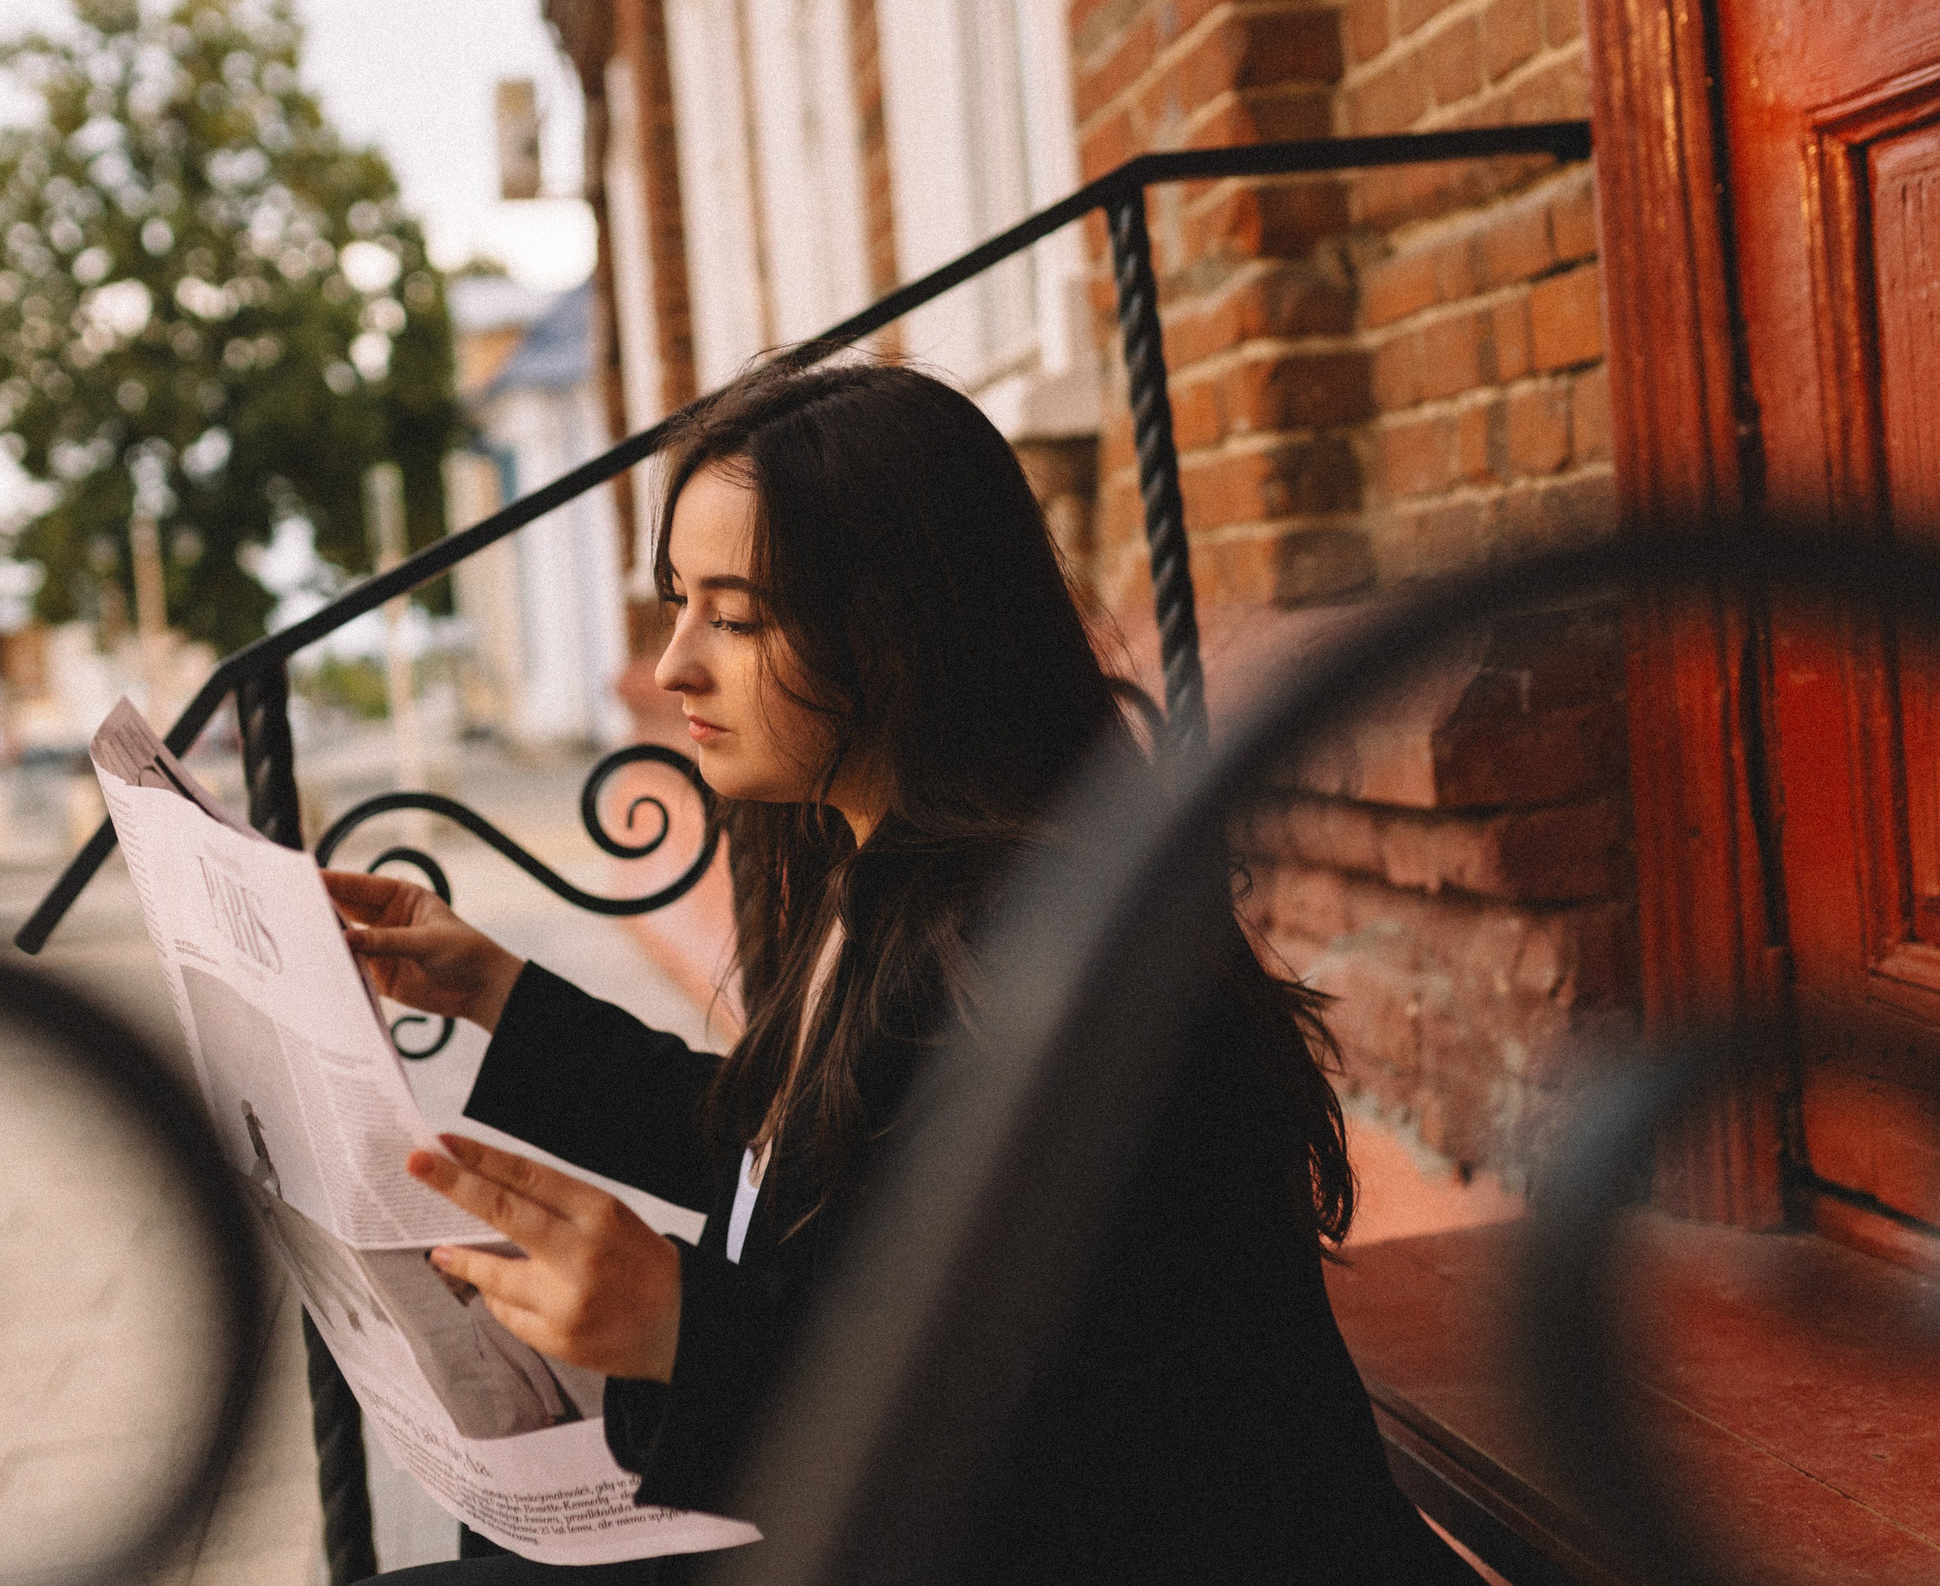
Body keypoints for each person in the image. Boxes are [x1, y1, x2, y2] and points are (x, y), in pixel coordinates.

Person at [323, 360, 1481, 1584]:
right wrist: (495, 993)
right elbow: (791, 1154)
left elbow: (1038, 1437)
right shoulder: (884, 866)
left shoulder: (1033, 957)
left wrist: (682, 1326)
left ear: (895, 632)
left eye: (736, 617)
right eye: (677, 602)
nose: (672, 666)